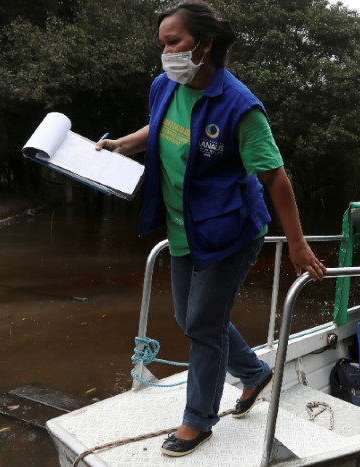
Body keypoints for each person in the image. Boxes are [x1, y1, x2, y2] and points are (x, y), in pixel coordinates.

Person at [94, 1, 326, 457]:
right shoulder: (165, 85)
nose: (165, 52)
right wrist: (123, 144)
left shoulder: (241, 107)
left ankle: (197, 420)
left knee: (202, 323)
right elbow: (159, 126)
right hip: (185, 227)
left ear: (204, 44)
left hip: (231, 231)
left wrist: (297, 244)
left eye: (174, 42)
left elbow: (275, 177)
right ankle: (255, 374)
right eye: (162, 44)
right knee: (192, 318)